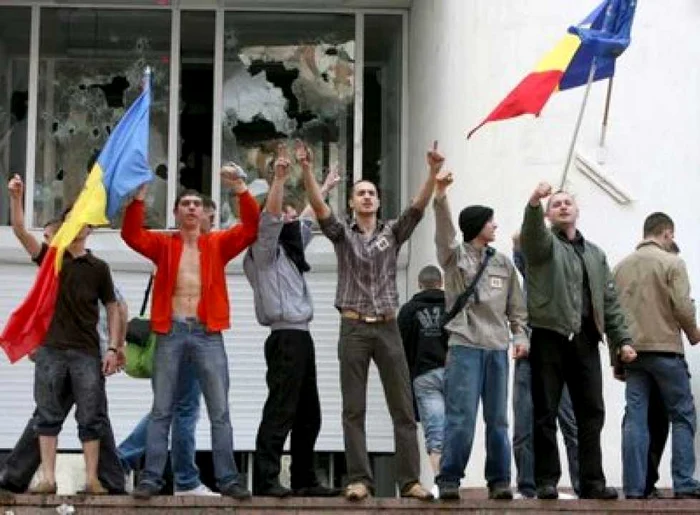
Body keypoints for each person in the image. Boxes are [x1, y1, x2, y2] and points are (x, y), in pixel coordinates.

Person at [301, 140, 441, 501]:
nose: (366, 197)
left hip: (388, 325)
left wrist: (431, 172)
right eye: (360, 193)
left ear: (378, 202)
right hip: (353, 327)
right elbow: (318, 207)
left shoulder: (392, 232)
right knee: (354, 408)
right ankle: (359, 479)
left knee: (403, 407)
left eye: (372, 193)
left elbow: (418, 208)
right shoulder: (341, 234)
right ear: (351, 202)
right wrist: (306, 171)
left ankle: (409, 481)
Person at [121, 166, 258, 500]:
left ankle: (228, 478)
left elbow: (252, 228)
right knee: (162, 408)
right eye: (186, 204)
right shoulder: (163, 244)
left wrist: (240, 188)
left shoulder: (217, 244)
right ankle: (151, 478)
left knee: (219, 410)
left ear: (204, 211)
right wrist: (138, 197)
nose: (193, 208)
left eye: (197, 204)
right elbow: (130, 234)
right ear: (176, 212)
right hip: (171, 332)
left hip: (207, 333)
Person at [0, 175, 126, 496]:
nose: (80, 225)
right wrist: (16, 197)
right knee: (47, 416)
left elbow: (114, 307)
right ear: (64, 225)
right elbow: (19, 231)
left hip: (87, 352)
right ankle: (47, 477)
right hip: (52, 351)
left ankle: (95, 479)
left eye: (85, 221)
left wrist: (113, 347)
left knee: (92, 418)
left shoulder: (99, 268)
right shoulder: (50, 258)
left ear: (90, 229)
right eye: (73, 219)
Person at [520, 183, 636, 500]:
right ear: (548, 214)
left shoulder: (595, 254)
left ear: (577, 210)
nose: (562, 206)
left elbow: (610, 302)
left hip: (585, 339)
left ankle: (592, 482)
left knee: (592, 412)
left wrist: (621, 340)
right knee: (545, 412)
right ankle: (546, 480)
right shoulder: (543, 246)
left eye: (567, 202)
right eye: (555, 204)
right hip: (549, 335)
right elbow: (530, 238)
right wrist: (533, 202)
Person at [243, 144, 341, 498]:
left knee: (309, 413)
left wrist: (325, 185)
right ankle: (267, 478)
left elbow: (308, 219)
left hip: (302, 337)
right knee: (281, 409)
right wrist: (280, 179)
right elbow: (270, 221)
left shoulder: (290, 245)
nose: (287, 216)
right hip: (284, 337)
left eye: (288, 212)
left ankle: (304, 477)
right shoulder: (263, 250)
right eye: (282, 211)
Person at [432, 170, 528, 501]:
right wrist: (440, 196)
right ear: (477, 226)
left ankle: (500, 480)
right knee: (461, 418)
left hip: (497, 348)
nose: (495, 226)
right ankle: (449, 478)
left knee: (499, 420)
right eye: (490, 221)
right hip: (465, 346)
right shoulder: (454, 258)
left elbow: (518, 309)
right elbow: (444, 235)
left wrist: (520, 338)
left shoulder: (502, 262)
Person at [117, 197, 220, 497]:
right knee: (184, 409)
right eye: (207, 218)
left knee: (171, 409)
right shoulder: (173, 249)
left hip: (195, 337)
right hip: (179, 335)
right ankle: (184, 480)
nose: (208, 224)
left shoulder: (206, 248)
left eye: (209, 218)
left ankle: (121, 459)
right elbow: (134, 236)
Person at [614, 212, 700, 499]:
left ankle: (635, 488)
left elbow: (612, 315)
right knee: (683, 416)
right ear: (667, 234)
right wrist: (694, 333)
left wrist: (617, 356)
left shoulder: (621, 267)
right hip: (666, 351)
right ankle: (685, 484)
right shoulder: (672, 262)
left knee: (635, 418)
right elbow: (683, 307)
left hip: (633, 354)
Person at [511, 232, 580, 499]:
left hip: (559, 355)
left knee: (569, 423)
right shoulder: (534, 269)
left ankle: (580, 484)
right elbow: (518, 240)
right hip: (529, 354)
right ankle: (527, 486)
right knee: (524, 425)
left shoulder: (568, 277)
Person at [397, 265, 448, 485]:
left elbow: (400, 350)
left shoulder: (408, 311)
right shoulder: (452, 305)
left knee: (435, 430)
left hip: (424, 376)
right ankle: (453, 479)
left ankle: (441, 480)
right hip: (455, 374)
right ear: (441, 283)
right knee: (457, 427)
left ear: (419, 284)